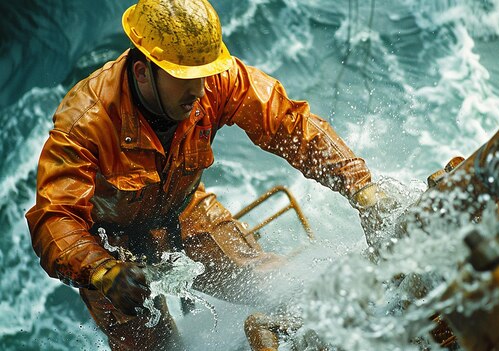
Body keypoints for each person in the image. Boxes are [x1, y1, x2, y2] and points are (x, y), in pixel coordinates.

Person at [25, 0, 394, 350]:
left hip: (185, 215)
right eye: (186, 79)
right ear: (142, 72)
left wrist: (360, 187)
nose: (200, 90)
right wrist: (101, 270)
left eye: (205, 75)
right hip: (109, 250)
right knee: (150, 347)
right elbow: (54, 217)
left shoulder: (216, 80)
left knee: (270, 286)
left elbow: (287, 122)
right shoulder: (86, 122)